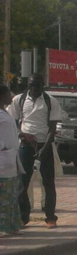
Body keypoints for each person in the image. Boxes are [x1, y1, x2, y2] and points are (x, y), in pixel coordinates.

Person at [9, 75, 66, 229]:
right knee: (22, 183)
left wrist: (44, 149)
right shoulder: (19, 100)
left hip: (44, 145)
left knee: (48, 183)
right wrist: (23, 135)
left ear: (43, 86)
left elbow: (52, 129)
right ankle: (23, 217)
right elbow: (12, 123)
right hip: (25, 145)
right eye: (32, 85)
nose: (35, 89)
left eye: (38, 86)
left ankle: (50, 217)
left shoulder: (50, 101)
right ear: (28, 85)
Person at [0, 85, 23, 236]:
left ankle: (12, 225)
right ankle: (2, 227)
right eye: (8, 94)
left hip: (10, 159)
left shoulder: (6, 112)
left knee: (12, 196)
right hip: (3, 160)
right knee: (3, 198)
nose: (11, 97)